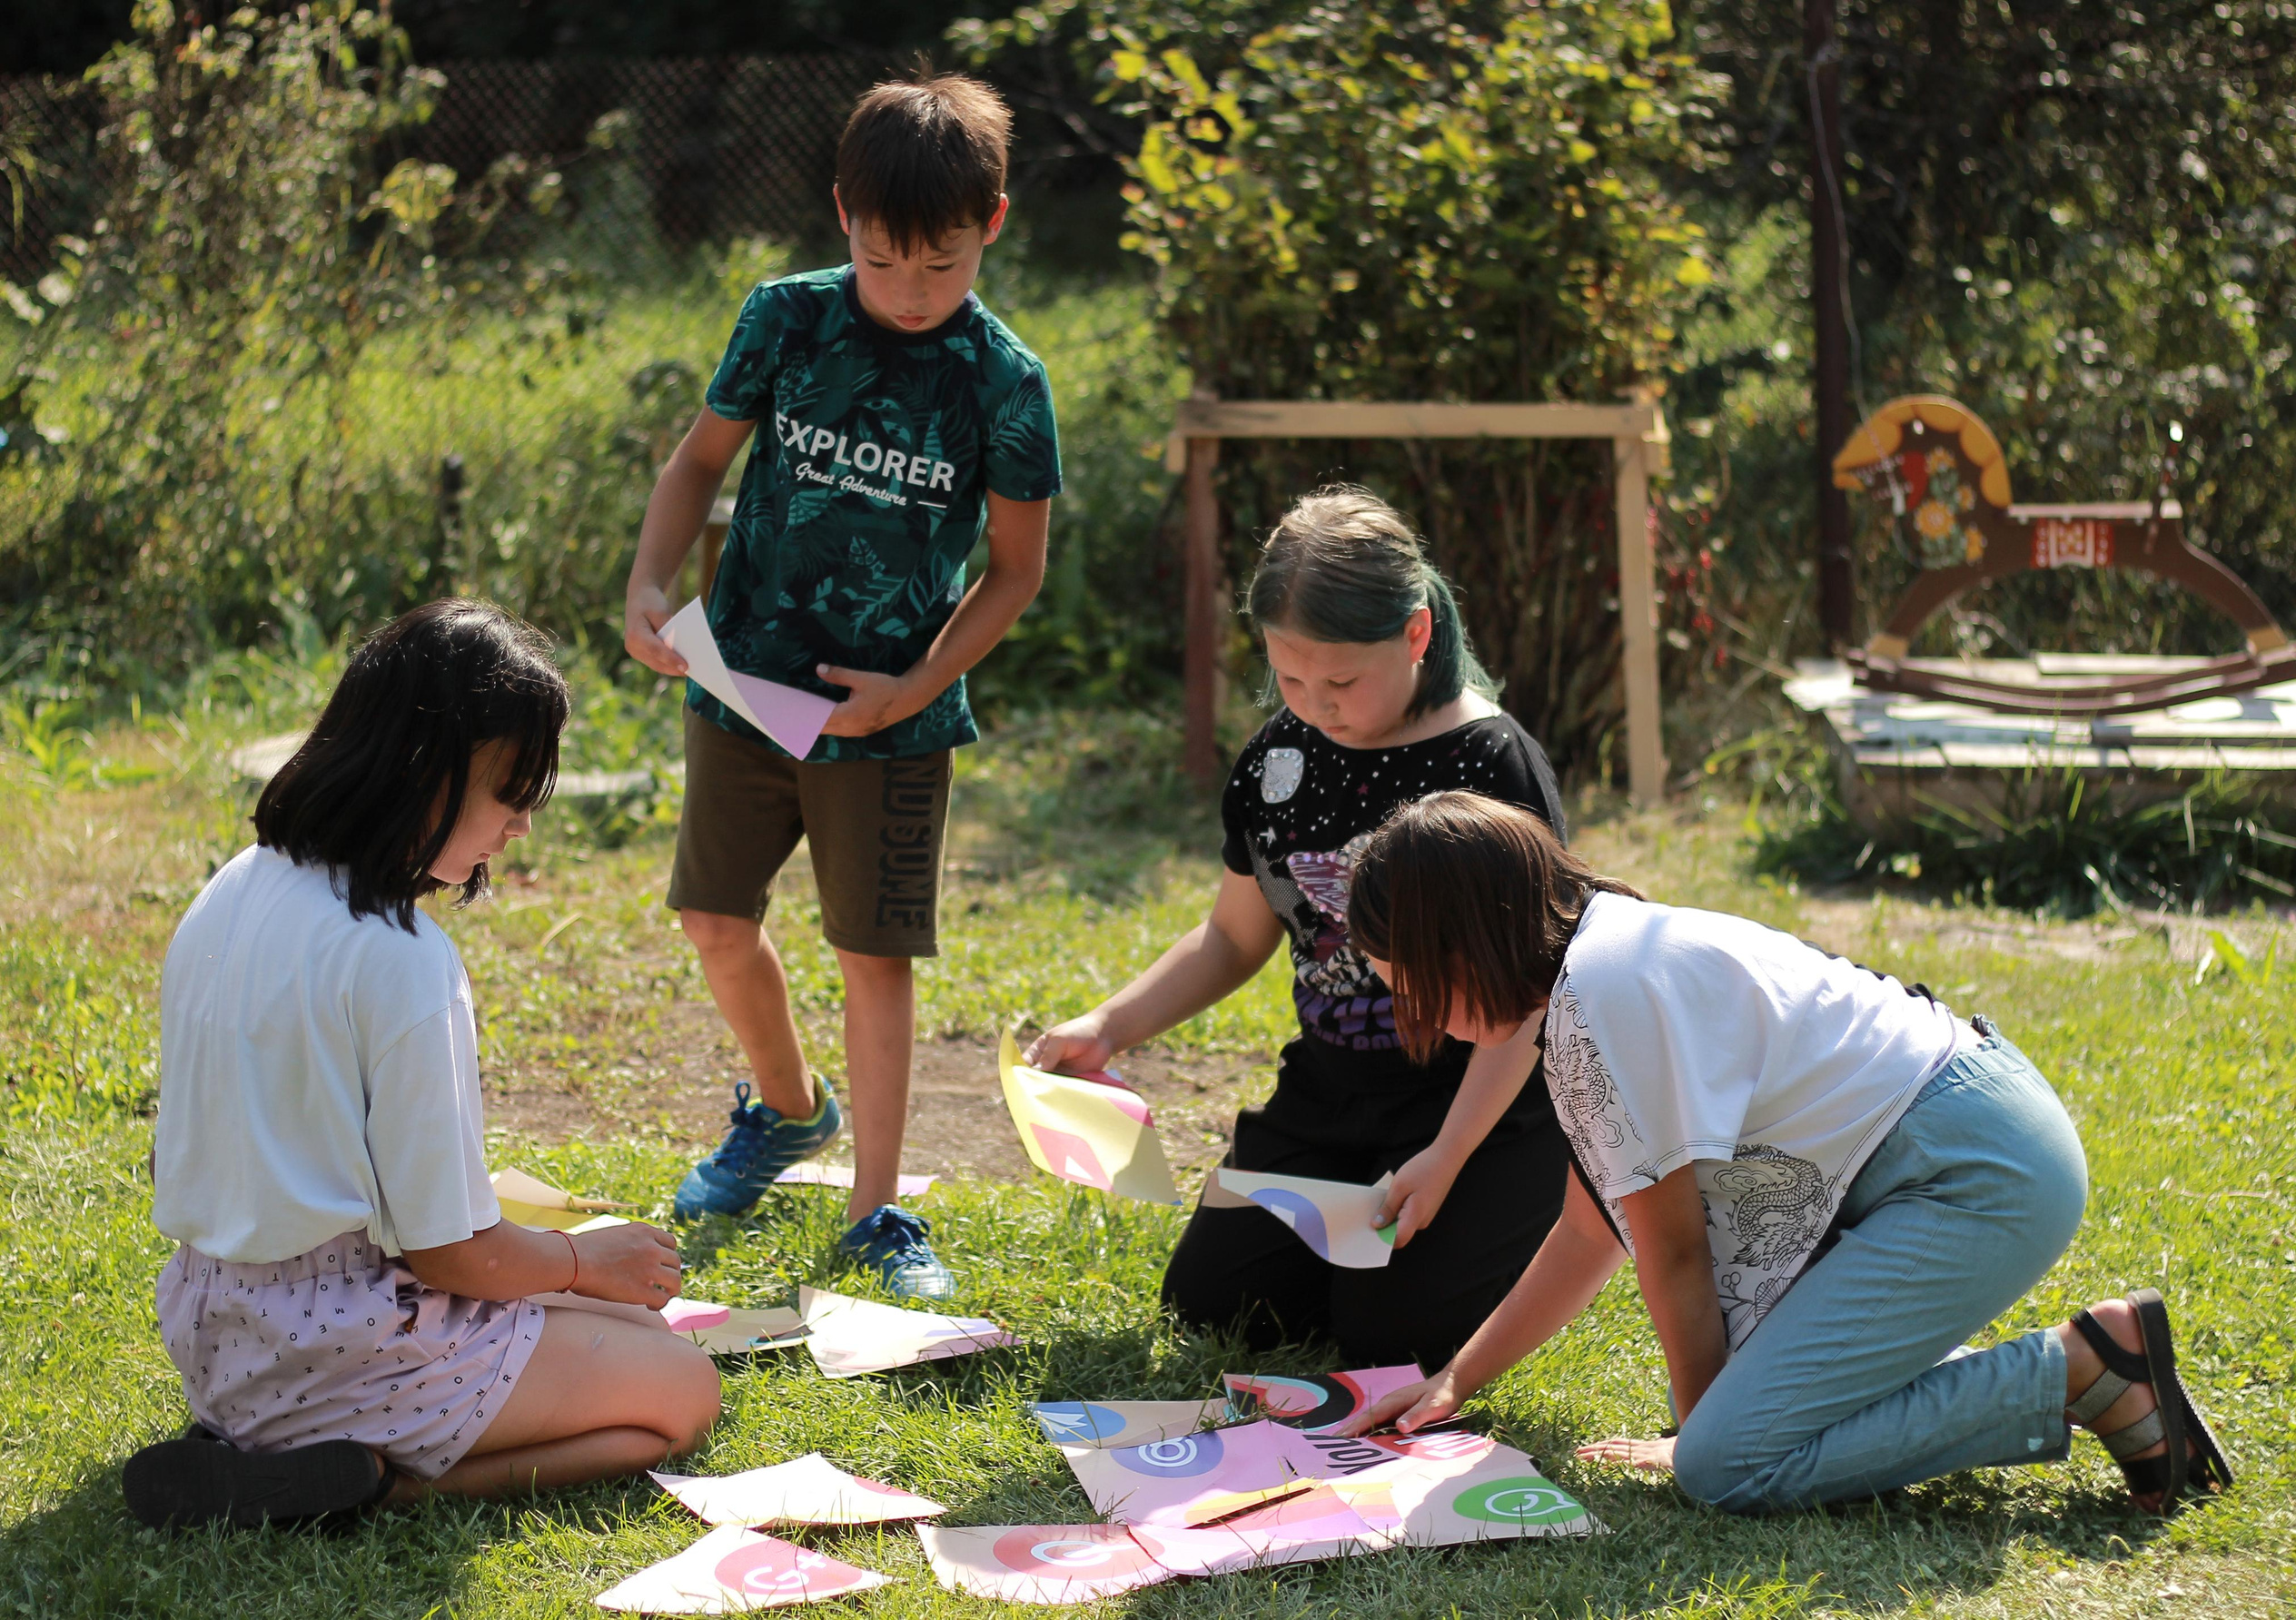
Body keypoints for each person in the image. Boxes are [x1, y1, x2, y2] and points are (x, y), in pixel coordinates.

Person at [1337, 790, 2235, 1516]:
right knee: (1735, 1440)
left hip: (1974, 1170)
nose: (1420, 1014)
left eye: (1412, 984)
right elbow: (1588, 1230)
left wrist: (1704, 1441)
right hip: (1966, 1144)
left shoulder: (1600, 996)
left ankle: (2085, 1366)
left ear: (1462, 938)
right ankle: (2093, 1368)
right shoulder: (1597, 966)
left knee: (1729, 1464)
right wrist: (1457, 1374)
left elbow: (1674, 1253)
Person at [124, 602, 720, 1531]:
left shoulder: (237, 882)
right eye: (511, 792)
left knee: (639, 1333)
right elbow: (452, 1251)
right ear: (421, 772)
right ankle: (369, 1479)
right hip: (337, 1346)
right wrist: (581, 1260)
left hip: (217, 1331)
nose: (522, 824)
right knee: (682, 1386)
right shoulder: (401, 959)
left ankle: (278, 1447)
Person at [622, 74, 1059, 1299]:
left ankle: (877, 1214)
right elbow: (697, 462)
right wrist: (645, 590)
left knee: (874, 958)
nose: (912, 294)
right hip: (739, 686)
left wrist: (908, 687)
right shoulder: (784, 320)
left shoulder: (1007, 382)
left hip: (889, 725)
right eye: (882, 264)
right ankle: (784, 1110)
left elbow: (1014, 574)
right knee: (715, 922)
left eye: (943, 266)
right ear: (841, 219)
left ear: (994, 226)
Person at [1030, 488, 1569, 1370]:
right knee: (1212, 1308)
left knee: (1385, 1336)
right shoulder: (1275, 759)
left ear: (1417, 634)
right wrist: (1108, 1025)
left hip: (1476, 1104)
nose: (1316, 703)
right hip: (1328, 1099)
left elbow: (1525, 1000)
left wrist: (1447, 1152)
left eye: (1343, 680)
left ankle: (1487, 1229)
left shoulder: (1490, 763)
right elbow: (1233, 937)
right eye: (1290, 676)